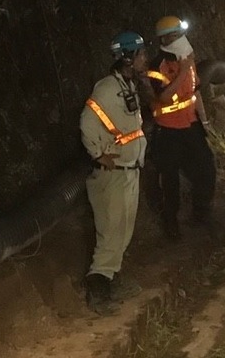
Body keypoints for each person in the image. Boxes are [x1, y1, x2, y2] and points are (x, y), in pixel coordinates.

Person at [80, 31, 149, 315]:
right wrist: (98, 154)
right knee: (110, 235)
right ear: (129, 58)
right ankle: (97, 292)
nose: (146, 58)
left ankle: (111, 280)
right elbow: (87, 121)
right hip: (113, 175)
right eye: (141, 54)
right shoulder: (108, 88)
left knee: (122, 233)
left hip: (129, 172)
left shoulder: (127, 85)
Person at [145, 15, 217, 240]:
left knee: (206, 169)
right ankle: (170, 224)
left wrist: (204, 121)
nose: (181, 39)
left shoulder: (186, 60)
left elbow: (195, 91)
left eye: (181, 34)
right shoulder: (158, 66)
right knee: (169, 180)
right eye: (175, 35)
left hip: (190, 124)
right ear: (164, 39)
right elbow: (164, 96)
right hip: (168, 131)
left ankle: (201, 213)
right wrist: (184, 69)